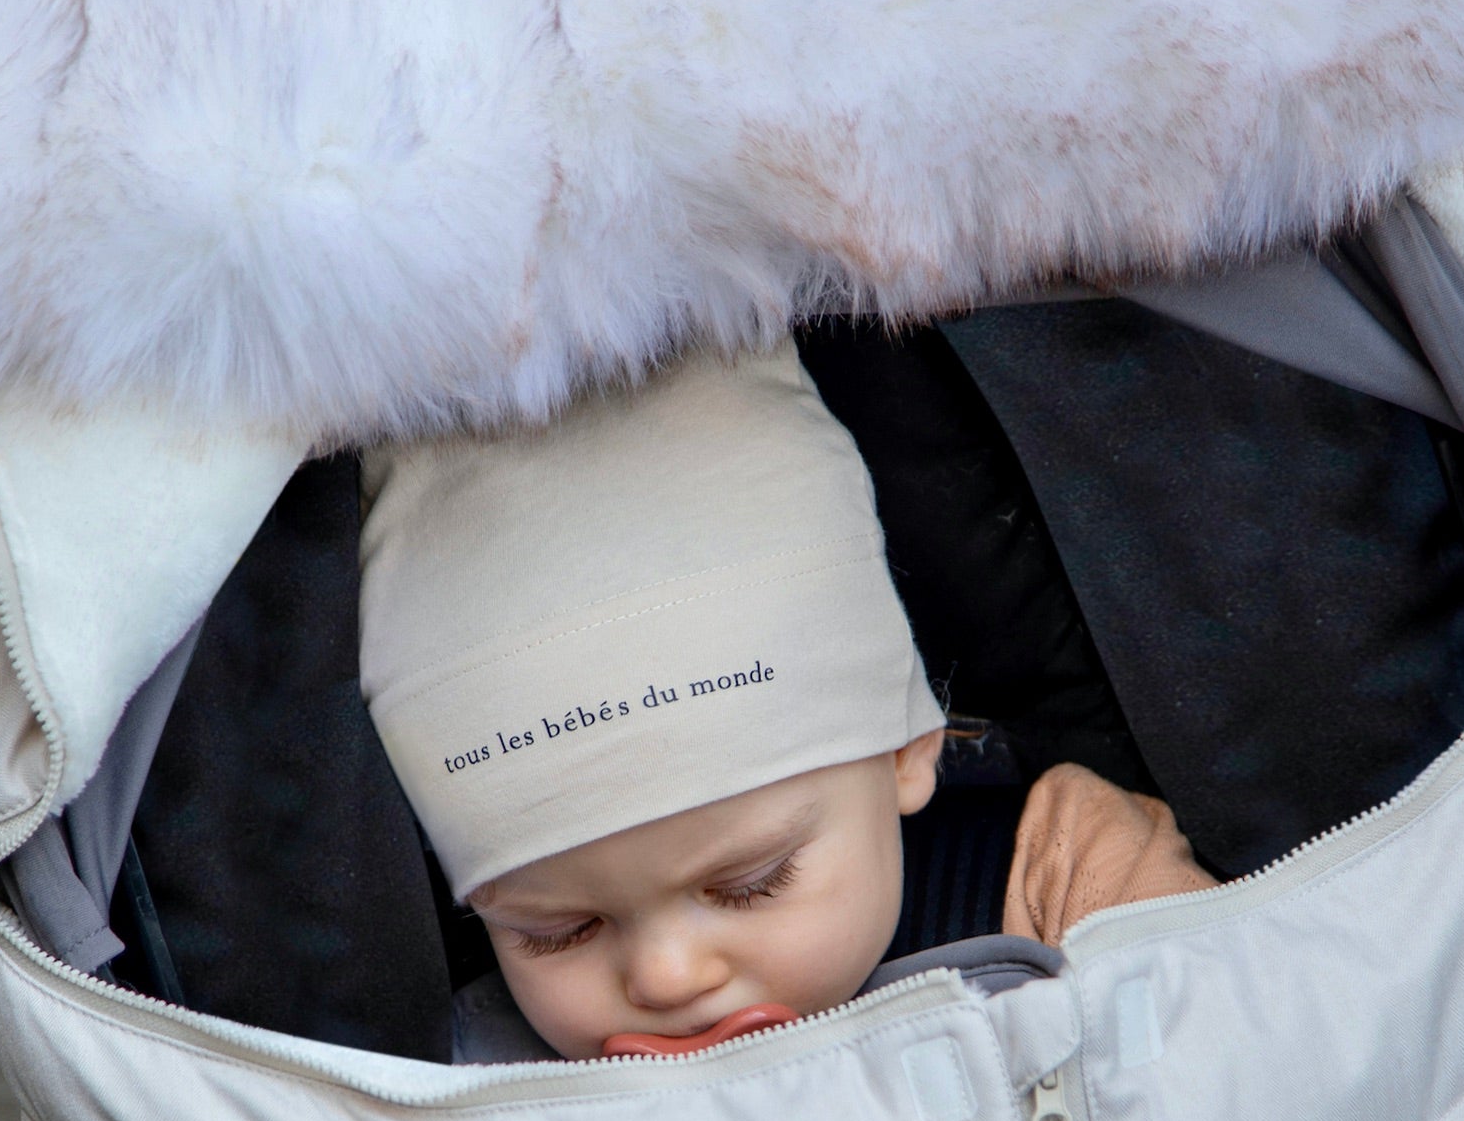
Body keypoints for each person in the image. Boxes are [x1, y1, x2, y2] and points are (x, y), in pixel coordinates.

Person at [359, 339, 1210, 1064]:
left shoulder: (1067, 877)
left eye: (752, 884)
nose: (666, 977)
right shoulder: (477, 1087)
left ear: (907, 745)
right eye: (557, 932)